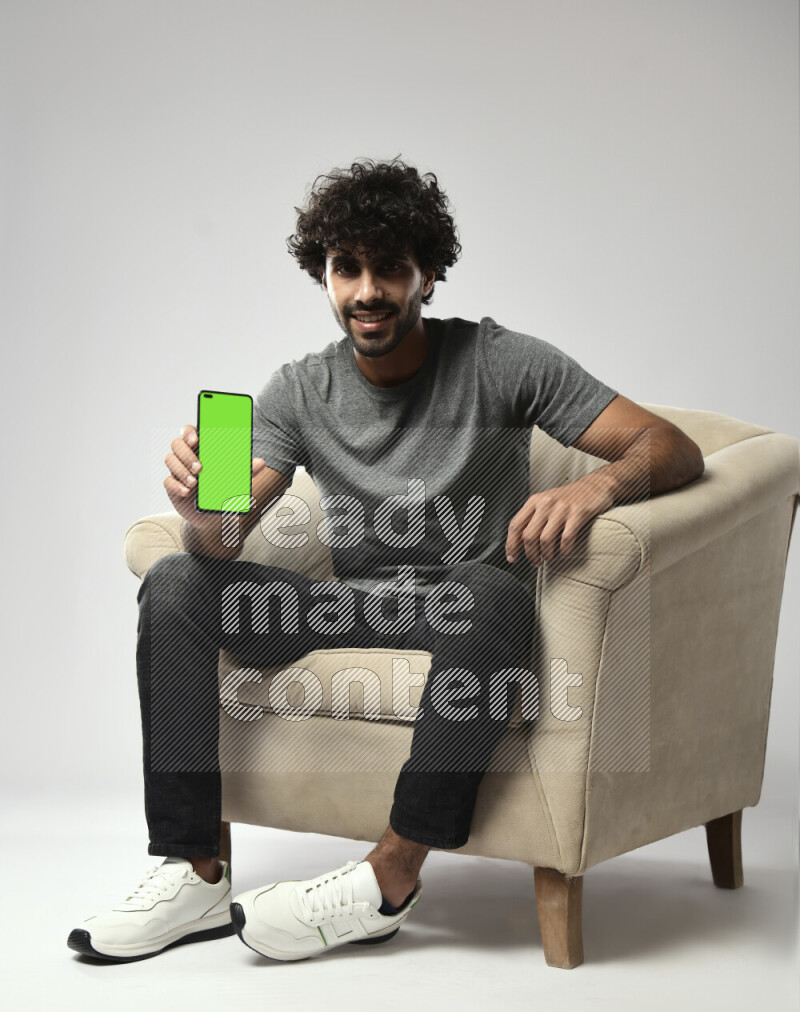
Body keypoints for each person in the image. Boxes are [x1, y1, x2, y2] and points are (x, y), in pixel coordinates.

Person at [67, 157, 704, 964]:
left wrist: (598, 490)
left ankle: (388, 881)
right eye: (347, 268)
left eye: (390, 267)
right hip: (352, 606)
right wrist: (199, 519)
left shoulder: (502, 362)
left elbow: (671, 448)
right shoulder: (299, 390)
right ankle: (193, 871)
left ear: (428, 274)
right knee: (176, 581)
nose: (368, 289)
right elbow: (225, 542)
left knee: (494, 595)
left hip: (468, 612)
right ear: (326, 278)